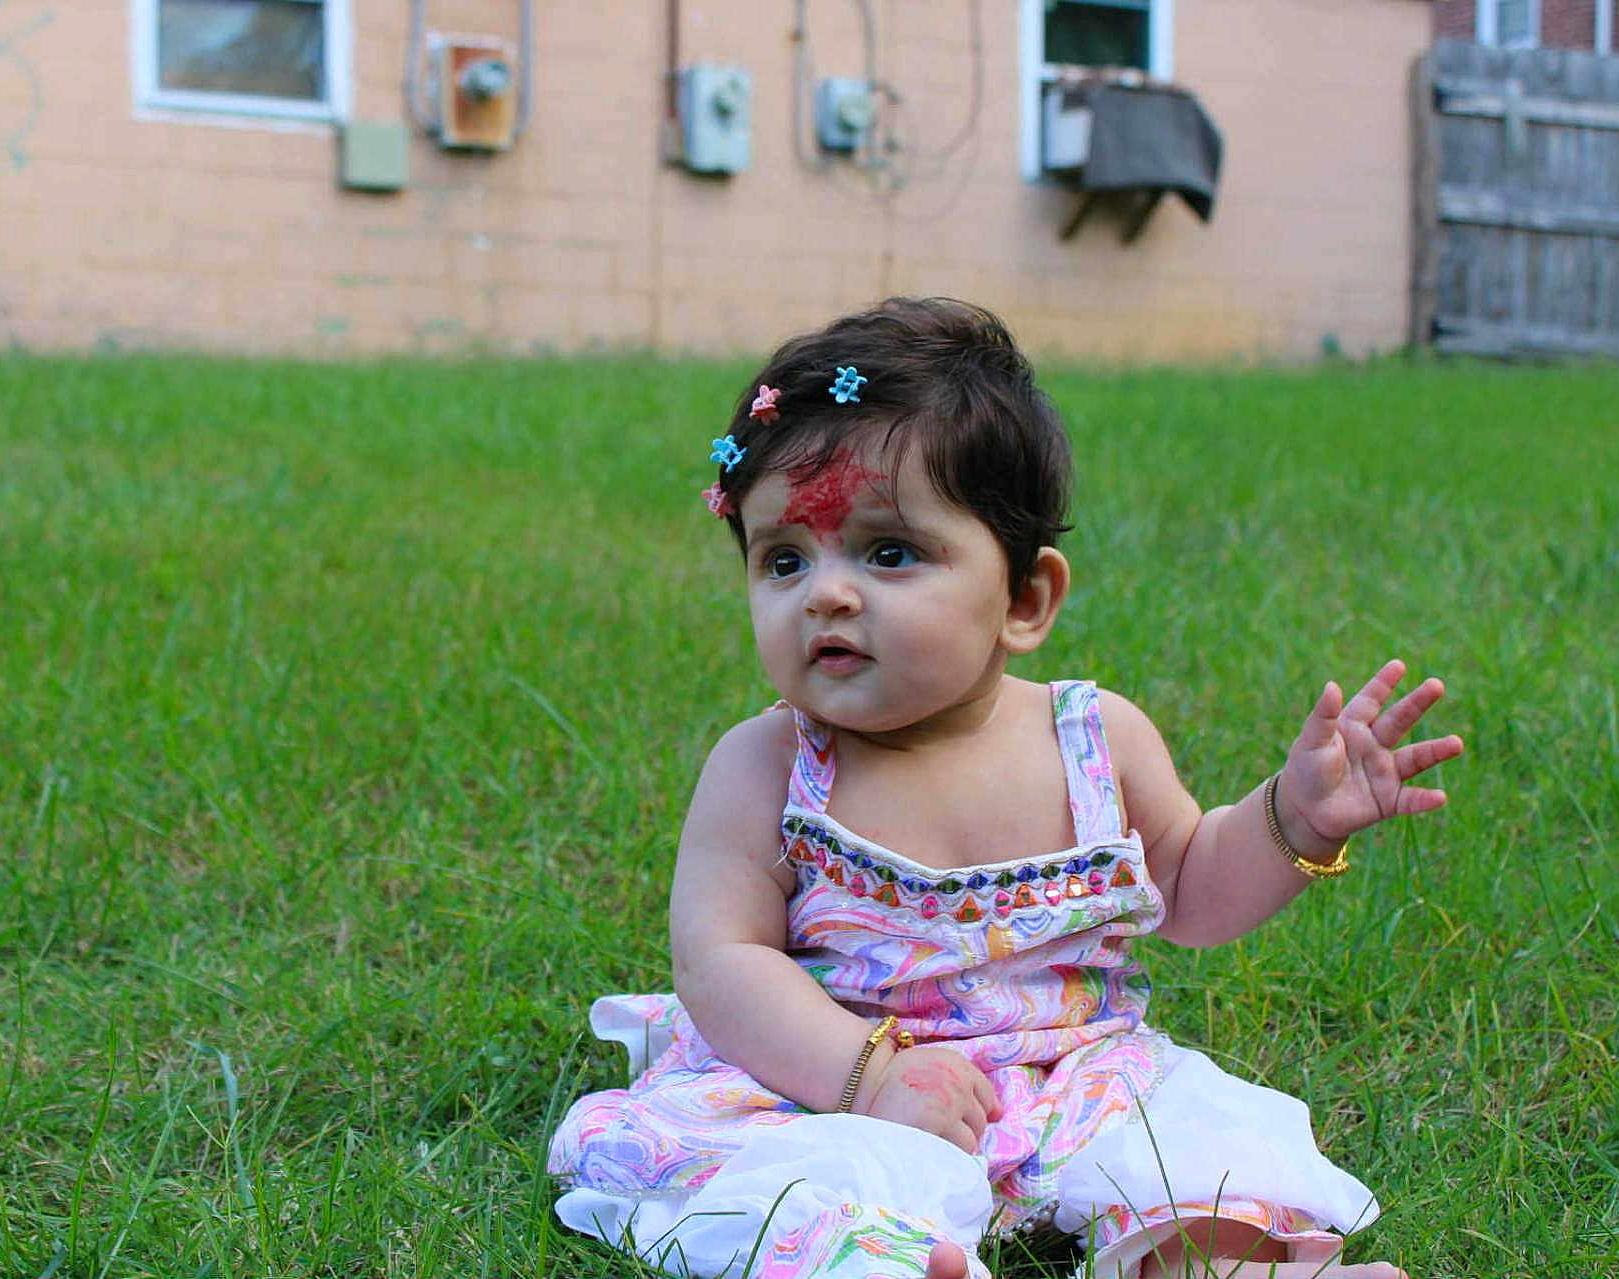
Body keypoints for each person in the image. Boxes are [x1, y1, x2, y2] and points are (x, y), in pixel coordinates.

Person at [546, 298, 1462, 1279]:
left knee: (1180, 1165)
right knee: (805, 1190)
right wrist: (872, 1078)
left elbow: (1192, 888)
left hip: (1071, 1074)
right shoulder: (766, 765)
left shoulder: (1094, 742)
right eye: (783, 559)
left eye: (888, 551)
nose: (826, 592)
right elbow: (722, 961)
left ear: (1025, 600)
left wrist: (1293, 818)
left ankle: (1231, 1266)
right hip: (835, 1074)